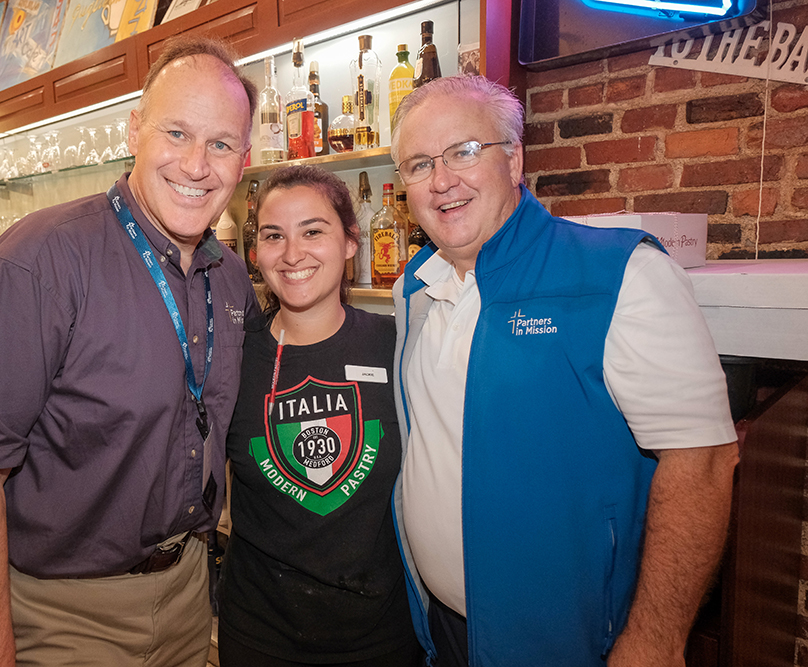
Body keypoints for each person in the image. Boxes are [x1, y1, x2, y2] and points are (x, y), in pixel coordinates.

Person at [0, 36, 260, 667]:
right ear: (135, 130)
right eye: (177, 133)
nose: (196, 165)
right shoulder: (40, 262)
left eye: (221, 144)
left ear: (244, 158)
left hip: (190, 599)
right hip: (63, 616)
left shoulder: (231, 277)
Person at [389, 75, 740, 667]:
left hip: (573, 643)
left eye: (464, 152)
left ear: (515, 158)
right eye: (419, 164)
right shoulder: (412, 290)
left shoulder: (622, 274)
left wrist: (656, 641)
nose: (442, 180)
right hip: (443, 632)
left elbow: (703, 463)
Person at [218, 165, 422, 667]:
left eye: (313, 231)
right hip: (261, 636)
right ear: (255, 251)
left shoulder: (398, 346)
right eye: (273, 236)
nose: (292, 254)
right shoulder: (232, 361)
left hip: (382, 637)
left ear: (351, 241)